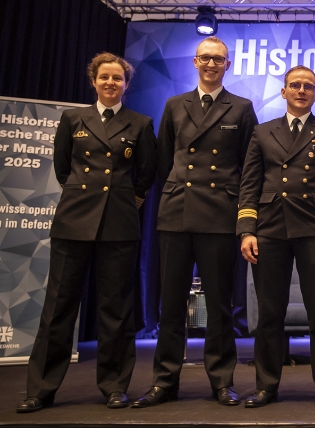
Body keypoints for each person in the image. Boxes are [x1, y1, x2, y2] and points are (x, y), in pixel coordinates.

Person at [17, 52, 157, 413]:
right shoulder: (72, 118)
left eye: (117, 78)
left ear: (127, 84)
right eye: (104, 77)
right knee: (58, 308)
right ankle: (41, 389)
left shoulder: (140, 123)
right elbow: (64, 169)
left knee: (116, 309)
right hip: (74, 221)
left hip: (119, 223)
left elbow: (146, 174)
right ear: (93, 81)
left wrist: (130, 199)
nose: (111, 83)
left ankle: (114, 385)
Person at [133, 36, 258, 408]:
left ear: (228, 65)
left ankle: (221, 381)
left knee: (219, 305)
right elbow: (164, 161)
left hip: (220, 213)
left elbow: (249, 167)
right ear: (195, 61)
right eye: (205, 58)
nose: (211, 64)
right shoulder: (174, 105)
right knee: (170, 304)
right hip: (177, 212)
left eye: (218, 60)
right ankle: (164, 381)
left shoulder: (242, 108)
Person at [236, 65, 315, 408]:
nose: (301, 90)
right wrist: (246, 231)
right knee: (269, 313)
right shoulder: (262, 132)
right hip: (269, 229)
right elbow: (249, 185)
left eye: (308, 86)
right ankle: (266, 386)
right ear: (284, 92)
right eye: (295, 85)